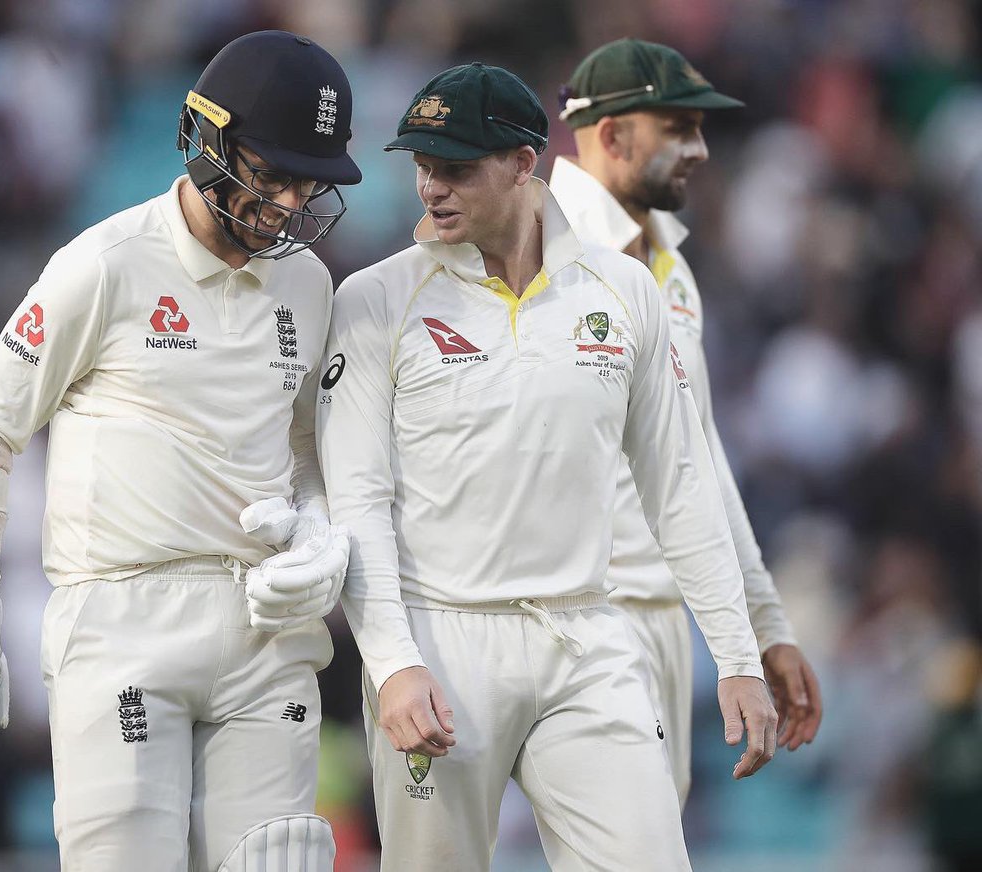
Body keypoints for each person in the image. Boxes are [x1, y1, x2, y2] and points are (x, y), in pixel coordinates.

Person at [0, 30, 359, 872]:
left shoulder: (308, 283)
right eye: (272, 174)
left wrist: (319, 524)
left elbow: (307, 446)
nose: (292, 204)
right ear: (208, 140)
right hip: (122, 622)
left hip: (266, 628)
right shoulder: (104, 264)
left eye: (309, 182)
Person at [316, 61, 777, 871]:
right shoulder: (375, 299)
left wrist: (737, 657)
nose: (431, 187)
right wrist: (391, 666)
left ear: (524, 163)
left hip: (587, 635)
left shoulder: (623, 290)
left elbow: (678, 485)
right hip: (441, 640)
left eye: (456, 167)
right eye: (422, 164)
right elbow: (357, 501)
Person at [551, 37, 823, 805]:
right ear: (612, 135)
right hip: (578, 622)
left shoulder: (671, 267)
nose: (700, 151)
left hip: (667, 618)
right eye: (679, 129)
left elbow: (697, 457)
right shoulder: (540, 253)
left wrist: (763, 625)